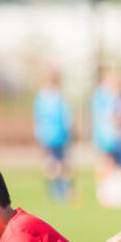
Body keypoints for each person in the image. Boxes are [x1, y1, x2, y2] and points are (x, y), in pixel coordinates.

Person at [91, 69, 121, 208]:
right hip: (108, 136)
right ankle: (106, 194)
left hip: (105, 135)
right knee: (108, 164)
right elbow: (113, 117)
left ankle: (106, 194)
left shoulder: (100, 96)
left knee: (108, 164)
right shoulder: (107, 96)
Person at [33, 69, 74, 203]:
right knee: (54, 164)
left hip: (57, 136)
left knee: (58, 163)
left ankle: (61, 190)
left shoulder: (53, 98)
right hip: (51, 137)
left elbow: (66, 118)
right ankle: (58, 190)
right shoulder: (48, 98)